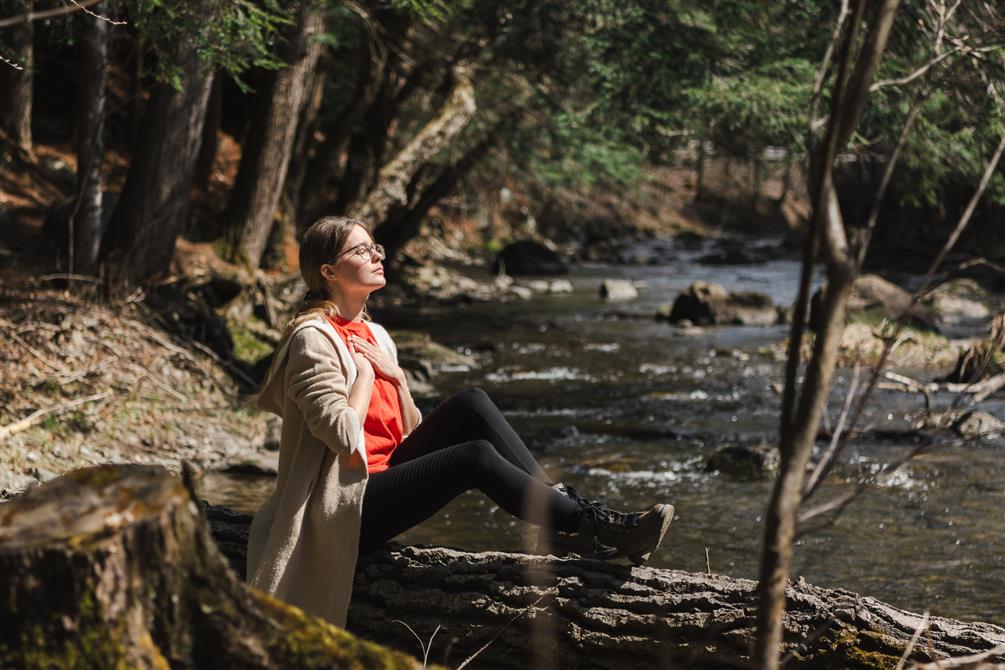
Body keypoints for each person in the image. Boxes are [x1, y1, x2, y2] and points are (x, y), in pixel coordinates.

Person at [246, 215, 674, 627]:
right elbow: (342, 435)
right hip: (344, 502)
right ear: (329, 272)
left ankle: (560, 519)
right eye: (362, 250)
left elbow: (403, 432)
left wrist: (397, 380)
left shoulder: (376, 334)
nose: (378, 255)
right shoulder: (313, 339)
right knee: (474, 458)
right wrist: (362, 378)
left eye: (375, 246)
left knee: (471, 403)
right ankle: (594, 527)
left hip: (383, 475)